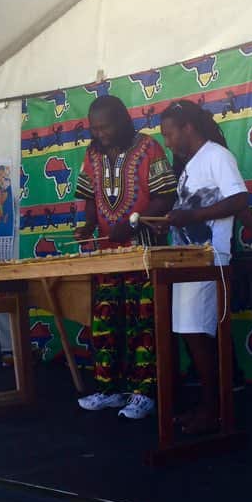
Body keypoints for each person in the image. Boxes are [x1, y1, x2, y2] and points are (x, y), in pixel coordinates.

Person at [72, 95, 177, 419]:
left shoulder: (150, 149)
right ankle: (109, 389)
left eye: (105, 127)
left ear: (122, 121)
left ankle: (143, 394)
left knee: (141, 324)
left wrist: (131, 225)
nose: (99, 133)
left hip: (144, 253)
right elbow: (90, 195)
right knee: (106, 323)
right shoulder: (92, 154)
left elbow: (165, 197)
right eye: (94, 128)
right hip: (107, 255)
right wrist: (89, 224)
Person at [158, 100, 248, 434]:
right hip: (187, 259)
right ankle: (208, 407)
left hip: (210, 259)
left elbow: (239, 200)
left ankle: (214, 411)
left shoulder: (217, 156)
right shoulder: (189, 164)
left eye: (169, 134)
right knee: (190, 334)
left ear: (188, 128)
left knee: (200, 336)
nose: (167, 141)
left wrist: (191, 216)